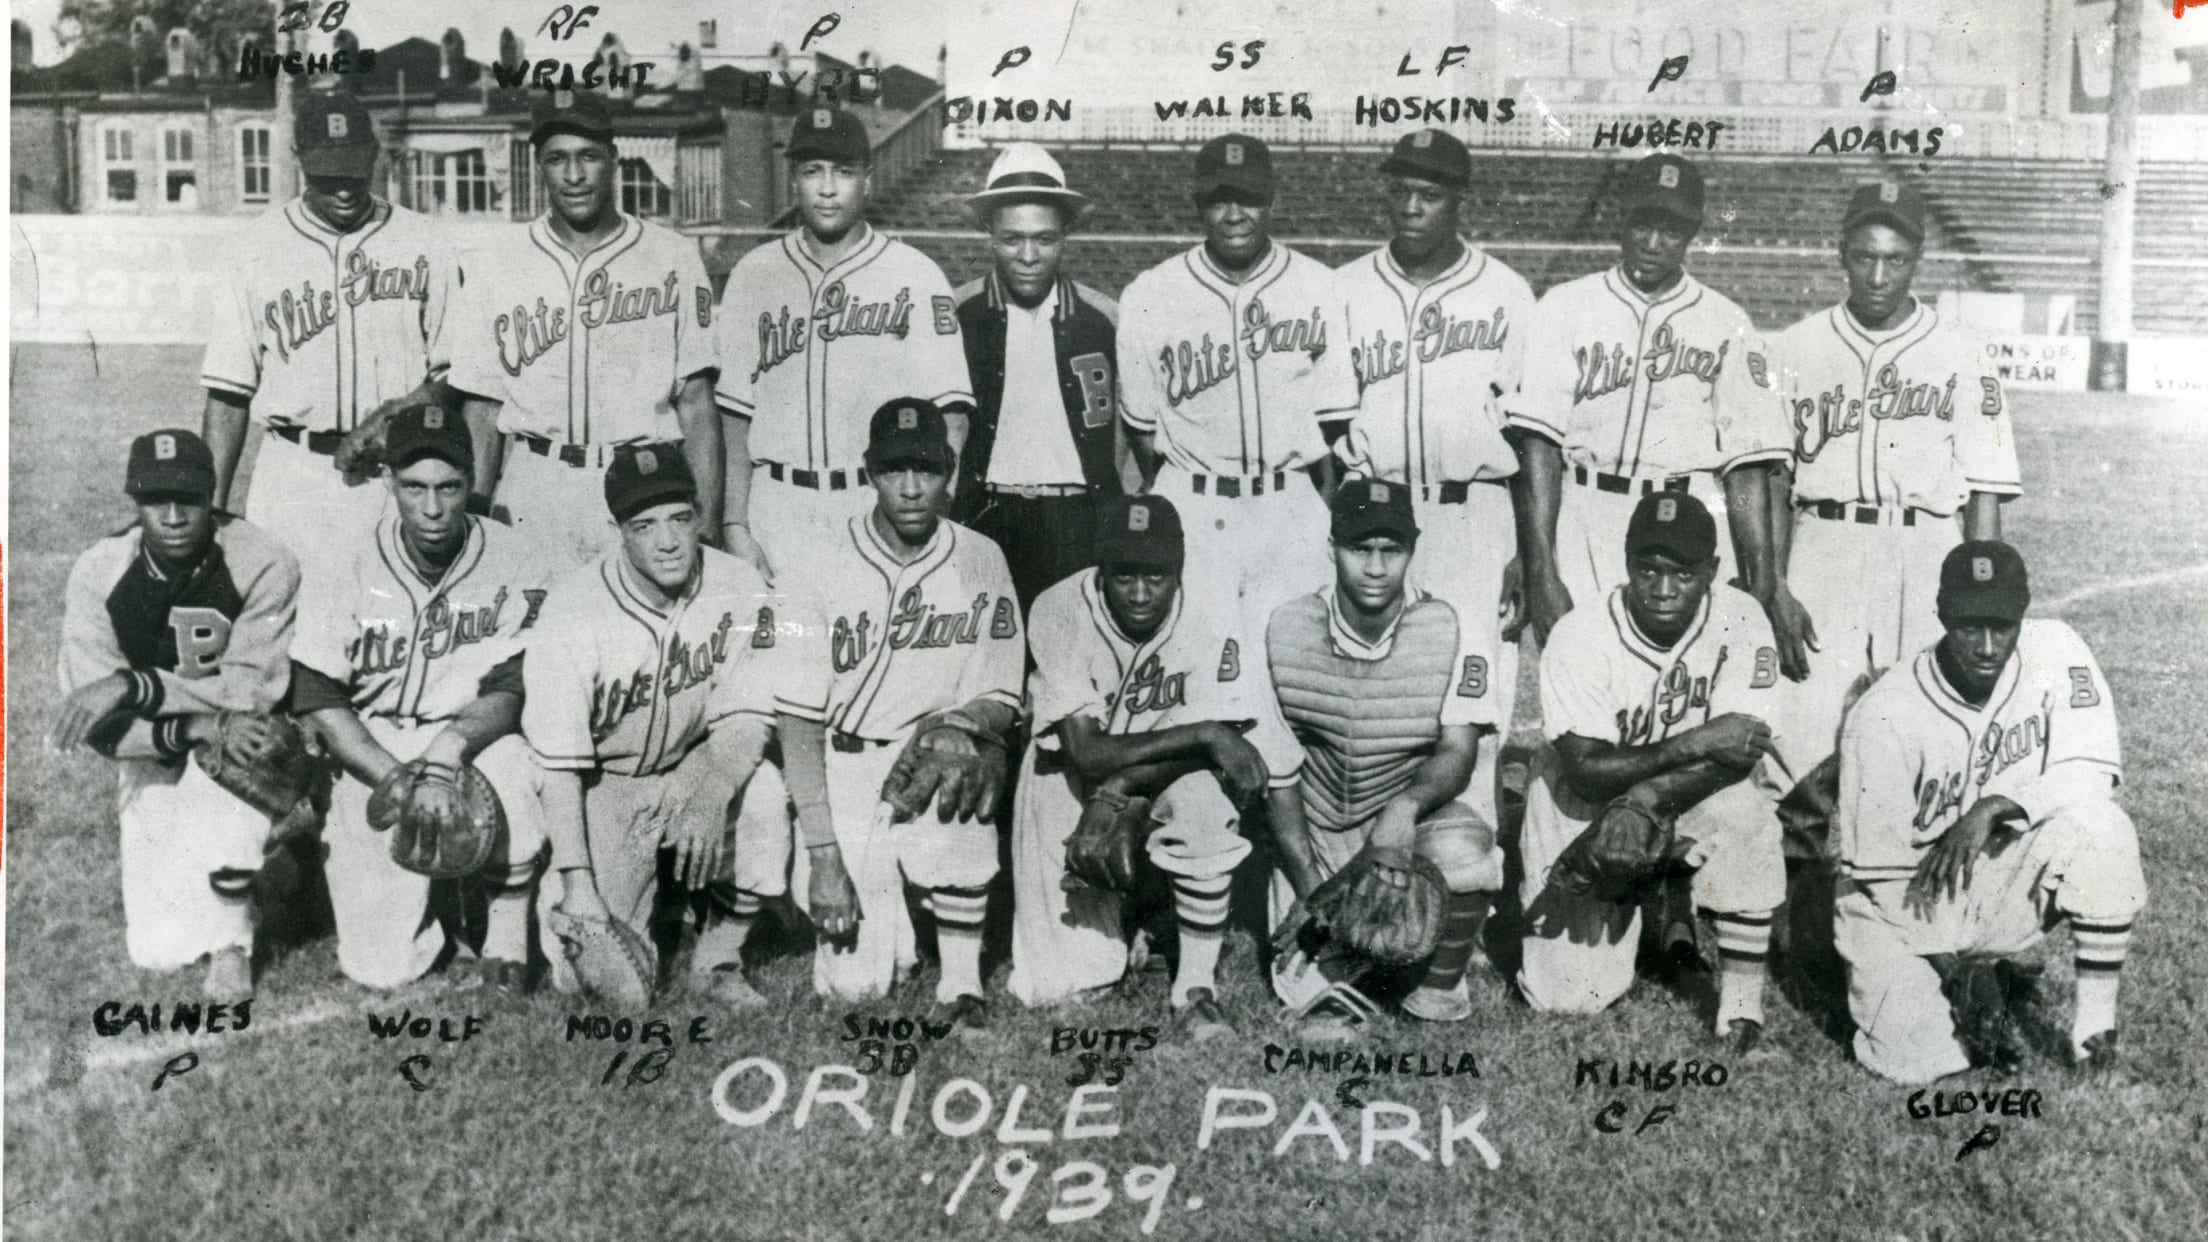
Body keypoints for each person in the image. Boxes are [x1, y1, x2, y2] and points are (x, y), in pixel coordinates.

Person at [522, 445, 834, 1007]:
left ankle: (718, 958)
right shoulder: (573, 609)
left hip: (695, 765)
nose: (667, 541)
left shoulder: (737, 583)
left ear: (698, 514)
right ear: (617, 530)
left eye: (679, 519)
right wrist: (579, 887)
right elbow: (559, 769)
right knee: (603, 988)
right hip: (605, 785)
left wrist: (713, 794)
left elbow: (746, 715)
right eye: (645, 525)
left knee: (761, 795)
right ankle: (646, 897)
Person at [1834, 542, 2141, 1080]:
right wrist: (1952, 972)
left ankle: (2095, 1037)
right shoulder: (1883, 712)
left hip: (1998, 877)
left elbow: (2093, 774)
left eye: (2000, 626)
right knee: (1915, 1062)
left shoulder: (2057, 648)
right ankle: (1975, 982)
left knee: (2103, 829)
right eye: (1969, 626)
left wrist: (1994, 807)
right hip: (1902, 899)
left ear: (2022, 615)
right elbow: (1877, 873)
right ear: (1942, 617)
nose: (1985, 645)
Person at [1008, 495, 1301, 1038]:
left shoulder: (1212, 609)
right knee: (1069, 987)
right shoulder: (1059, 606)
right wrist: (1205, 734)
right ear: (1100, 568)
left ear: (1180, 569)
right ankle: (1142, 916)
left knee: (1205, 808)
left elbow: (1231, 754)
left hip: (1165, 773)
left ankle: (1195, 987)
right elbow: (1087, 752)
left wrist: (1123, 789)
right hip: (1065, 776)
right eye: (1124, 575)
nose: (1140, 593)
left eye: (1156, 576)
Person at [1515, 493, 1795, 1051]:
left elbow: (1740, 750)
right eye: (1648, 570)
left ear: (1713, 572)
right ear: (1626, 564)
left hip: (1684, 793)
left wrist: (1645, 796)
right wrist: (1691, 741)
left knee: (1748, 810)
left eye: (1683, 573)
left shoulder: (1741, 618)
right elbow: (1589, 772)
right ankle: (1650, 895)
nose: (1663, 589)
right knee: (1567, 999)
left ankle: (1740, 1006)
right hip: (1582, 798)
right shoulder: (1579, 633)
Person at [287, 404, 553, 992]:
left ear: (471, 483)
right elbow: (315, 691)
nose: (432, 508)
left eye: (449, 488)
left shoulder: (517, 556)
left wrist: (446, 753)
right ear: (388, 482)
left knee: (517, 764)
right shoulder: (345, 556)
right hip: (371, 741)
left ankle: (505, 933)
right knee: (381, 969)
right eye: (414, 488)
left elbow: (513, 686)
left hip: (471, 735)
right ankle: (444, 917)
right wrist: (398, 778)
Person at [784, 399, 1023, 1024]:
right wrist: (824, 856)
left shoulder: (981, 556)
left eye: (927, 469)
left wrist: (959, 728)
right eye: (895, 471)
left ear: (950, 472)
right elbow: (798, 721)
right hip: (845, 764)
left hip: (931, 755)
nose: (913, 488)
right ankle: (888, 928)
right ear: (869, 472)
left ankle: (964, 985)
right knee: (855, 991)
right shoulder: (816, 559)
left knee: (961, 768)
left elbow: (1001, 694)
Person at [1769, 181, 2020, 773]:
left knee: (1927, 741)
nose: (1878, 276)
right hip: (1824, 545)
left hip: (1926, 546)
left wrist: (1979, 596)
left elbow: (1984, 488)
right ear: (1841, 255)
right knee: (1800, 749)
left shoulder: (1962, 351)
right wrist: (1774, 585)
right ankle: (1799, 868)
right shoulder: (1799, 346)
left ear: (1917, 260)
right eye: (1865, 257)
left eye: (1895, 260)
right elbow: (1776, 482)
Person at [1504, 153, 1799, 654]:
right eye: (1643, 223)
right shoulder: (1566, 305)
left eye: (1672, 229)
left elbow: (1747, 466)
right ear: (1622, 216)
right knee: (1584, 686)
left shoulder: (1726, 321)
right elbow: (1539, 447)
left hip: (1683, 522)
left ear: (1692, 233)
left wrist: (1765, 578)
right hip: (1587, 512)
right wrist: (1542, 569)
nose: (1653, 242)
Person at [1334, 127, 1537, 832]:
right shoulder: (1348, 289)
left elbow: (1529, 431)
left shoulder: (1506, 292)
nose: (1412, 208)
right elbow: (1327, 426)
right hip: (1376, 518)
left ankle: (1467, 893)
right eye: (1402, 192)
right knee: (1374, 691)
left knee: (1475, 703)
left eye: (1430, 194)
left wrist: (1528, 553)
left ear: (1459, 202)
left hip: (1473, 516)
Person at [55, 430, 301, 1000]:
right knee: (159, 952)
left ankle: (232, 942)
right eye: (154, 499)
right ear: (134, 503)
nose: (172, 516)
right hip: (155, 742)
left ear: (211, 496)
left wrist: (134, 684)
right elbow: (100, 722)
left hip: (241, 743)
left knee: (242, 742)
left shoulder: (262, 559)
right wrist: (187, 724)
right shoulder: (99, 570)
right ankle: (281, 864)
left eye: (188, 499)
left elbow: (250, 695)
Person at [1261, 480, 1504, 1036]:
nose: (1375, 567)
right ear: (1332, 548)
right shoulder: (1286, 625)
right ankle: (1362, 958)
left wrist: (1405, 806)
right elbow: (1277, 768)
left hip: (1401, 816)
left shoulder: (1450, 625)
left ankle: (1434, 986)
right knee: (1306, 990)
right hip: (1317, 825)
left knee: (1466, 848)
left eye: (1390, 551)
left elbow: (1458, 753)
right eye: (1359, 549)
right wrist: (1310, 891)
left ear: (1412, 551)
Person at [447, 89, 721, 565]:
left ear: (614, 159)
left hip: (643, 478)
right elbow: (482, 409)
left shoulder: (671, 255)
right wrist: (477, 514)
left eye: (588, 157)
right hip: (535, 481)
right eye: (557, 160)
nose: (573, 176)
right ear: (539, 165)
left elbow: (696, 406)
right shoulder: (497, 262)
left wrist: (708, 526)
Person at [713, 105, 975, 580]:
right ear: (794, 178)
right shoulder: (755, 273)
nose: (828, 188)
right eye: (813, 171)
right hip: (778, 505)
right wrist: (735, 524)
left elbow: (952, 418)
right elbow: (734, 419)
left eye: (844, 172)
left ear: (868, 180)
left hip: (874, 504)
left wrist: (937, 517)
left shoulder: (915, 274)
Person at [1116, 132, 1357, 632]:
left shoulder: (1318, 285)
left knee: (1288, 660)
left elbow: (1333, 421)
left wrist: (1312, 504)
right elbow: (1142, 429)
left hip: (1289, 501)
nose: (1233, 215)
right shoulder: (1151, 292)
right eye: (1219, 200)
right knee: (1196, 660)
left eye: (1247, 198)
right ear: (1199, 205)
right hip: (1193, 505)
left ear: (1271, 200)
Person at [201, 90, 455, 545]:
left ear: (374, 155)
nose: (342, 188)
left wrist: (403, 411)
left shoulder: (425, 242)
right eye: (327, 174)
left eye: (354, 173)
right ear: (298, 157)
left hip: (396, 475)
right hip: (291, 474)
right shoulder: (251, 249)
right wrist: (211, 515)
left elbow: (461, 372)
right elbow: (227, 394)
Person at [954, 143, 1131, 611]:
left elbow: (1126, 439)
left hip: (1077, 521)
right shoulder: (958, 316)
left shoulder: (1104, 319)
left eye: (1045, 239)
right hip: (985, 516)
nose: (1028, 255)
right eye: (1012, 238)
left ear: (1066, 234)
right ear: (989, 233)